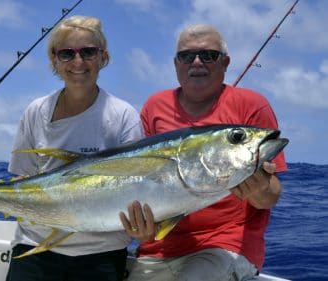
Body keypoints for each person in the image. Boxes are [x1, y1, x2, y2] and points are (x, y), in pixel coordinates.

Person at [0, 15, 144, 281]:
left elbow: (135, 185)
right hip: (35, 250)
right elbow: (23, 182)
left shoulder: (123, 116)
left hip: (100, 256)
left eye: (88, 52)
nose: (78, 62)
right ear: (55, 60)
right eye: (67, 53)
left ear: (103, 57)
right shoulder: (36, 111)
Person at [119, 23, 287, 281]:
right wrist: (140, 230)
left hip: (224, 246)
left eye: (208, 55)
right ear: (176, 64)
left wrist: (259, 189)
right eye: (187, 56)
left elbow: (271, 196)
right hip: (158, 249)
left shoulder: (252, 105)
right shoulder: (154, 106)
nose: (196, 62)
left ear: (225, 63)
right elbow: (141, 181)